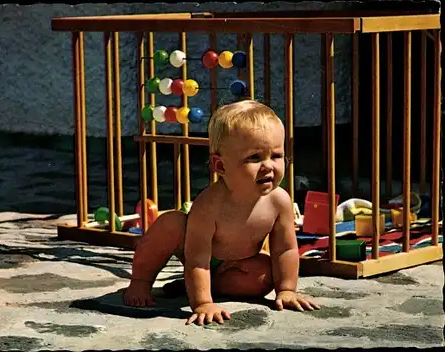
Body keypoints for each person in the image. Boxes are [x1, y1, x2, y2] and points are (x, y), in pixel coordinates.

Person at [123, 100, 319, 325]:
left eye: (275, 155)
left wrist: (286, 289)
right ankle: (140, 280)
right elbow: (197, 259)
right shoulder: (209, 205)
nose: (268, 166)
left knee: (263, 277)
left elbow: (285, 248)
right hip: (196, 254)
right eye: (254, 157)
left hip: (235, 264)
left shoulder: (279, 201)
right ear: (221, 166)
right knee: (171, 223)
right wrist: (203, 303)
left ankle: (197, 285)